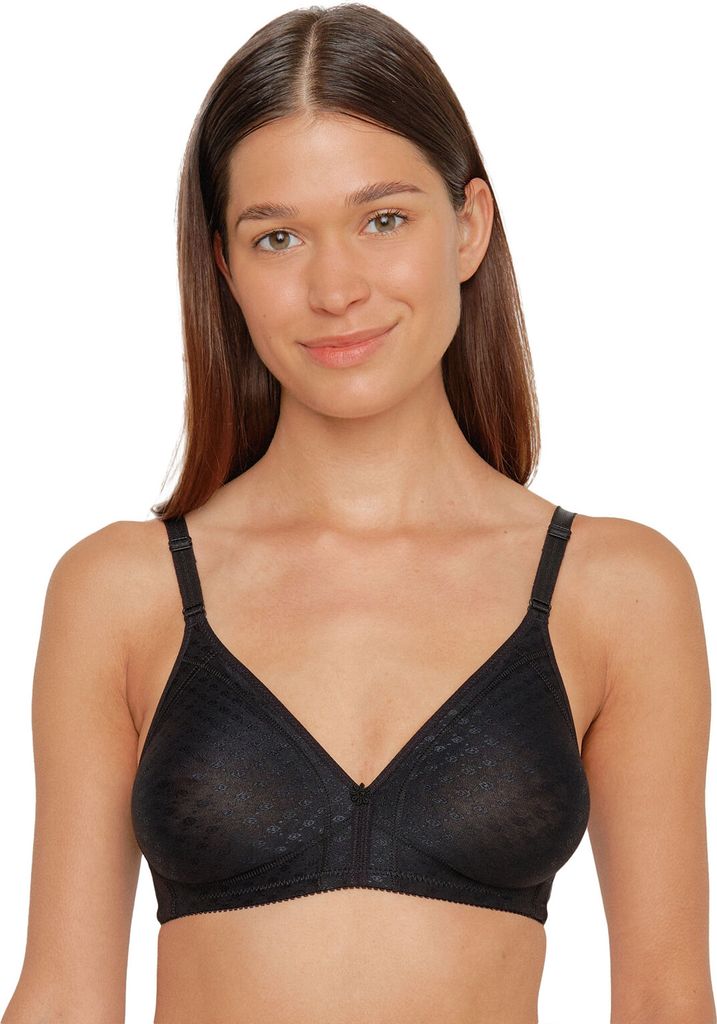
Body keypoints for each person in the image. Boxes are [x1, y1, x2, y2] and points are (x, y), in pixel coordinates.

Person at [2, 5, 715, 1024]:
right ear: (225, 266)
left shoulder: (616, 591)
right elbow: (64, 998)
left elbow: (664, 998)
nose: (335, 288)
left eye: (383, 219)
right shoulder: (123, 592)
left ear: (468, 226)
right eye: (278, 236)